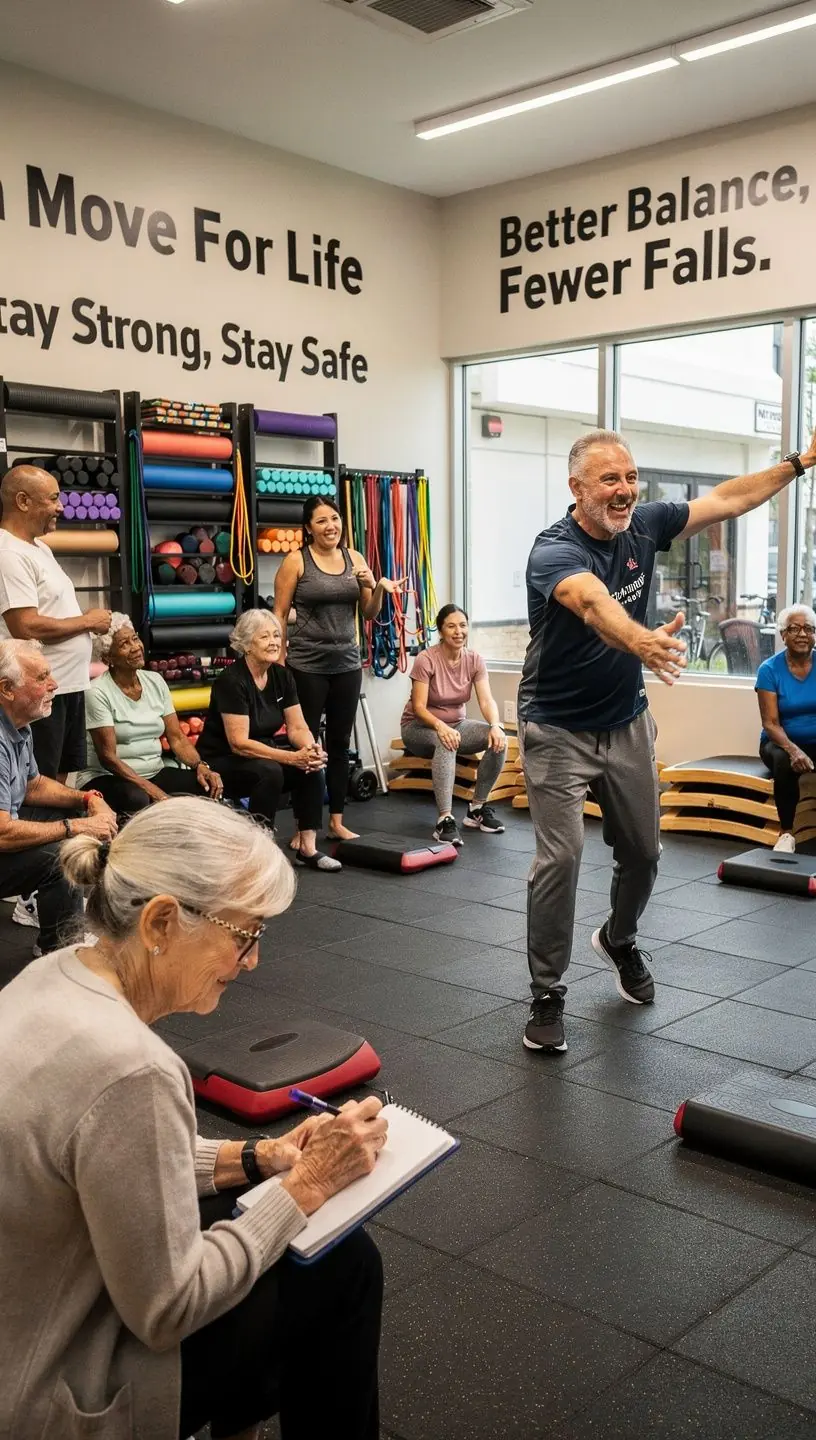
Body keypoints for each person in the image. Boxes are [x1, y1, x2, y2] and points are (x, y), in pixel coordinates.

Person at [0, 797, 385, 1440]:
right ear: (160, 922)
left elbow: (116, 1159)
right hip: (52, 1397)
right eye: (244, 935)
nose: (252, 960)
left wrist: (260, 1158)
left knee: (262, 1223)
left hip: (23, 1319)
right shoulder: (132, 1068)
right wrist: (308, 1184)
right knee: (340, 1267)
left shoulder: (52, 972)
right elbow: (168, 1311)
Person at [519, 426, 816, 1056]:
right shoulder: (553, 550)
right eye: (609, 479)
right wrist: (642, 641)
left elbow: (729, 500)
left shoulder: (646, 526)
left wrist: (800, 461)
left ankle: (618, 938)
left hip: (626, 720)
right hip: (557, 729)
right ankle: (547, 991)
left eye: (631, 477)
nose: (625, 490)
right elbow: (591, 603)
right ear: (576, 487)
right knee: (561, 859)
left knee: (645, 853)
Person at [274, 496, 406, 844]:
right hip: (306, 666)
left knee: (339, 744)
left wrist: (376, 586)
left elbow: (369, 612)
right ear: (308, 528)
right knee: (306, 746)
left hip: (346, 664)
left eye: (334, 518)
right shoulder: (296, 561)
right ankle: (304, 826)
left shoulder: (355, 558)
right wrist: (278, 660)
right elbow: (279, 614)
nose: (330, 526)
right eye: (321, 521)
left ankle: (336, 820)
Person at [198, 608, 340, 871]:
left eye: (276, 635)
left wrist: (310, 750)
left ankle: (307, 849)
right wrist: (291, 757)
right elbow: (239, 743)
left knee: (311, 768)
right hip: (222, 759)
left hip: (263, 752)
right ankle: (260, 850)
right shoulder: (232, 681)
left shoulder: (282, 676)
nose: (274, 642)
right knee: (270, 771)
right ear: (246, 644)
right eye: (264, 637)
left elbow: (297, 727)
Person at [0, 638, 117, 955]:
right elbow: (1, 833)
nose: (54, 684)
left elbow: (34, 785)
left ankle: (58, 926)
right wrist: (74, 828)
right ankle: (62, 951)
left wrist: (87, 799)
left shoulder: (18, 725)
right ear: (7, 689)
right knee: (63, 854)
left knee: (72, 820)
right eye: (42, 678)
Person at [0, 465, 111, 779]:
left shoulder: (40, 548)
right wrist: (87, 622)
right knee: (38, 783)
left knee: (62, 778)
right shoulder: (8, 553)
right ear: (23, 501)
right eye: (52, 498)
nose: (60, 507)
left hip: (65, 685)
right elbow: (26, 627)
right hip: (36, 692)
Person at [76, 613, 224, 815]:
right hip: (108, 776)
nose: (136, 647)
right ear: (107, 658)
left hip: (153, 772)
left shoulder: (155, 681)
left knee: (204, 786)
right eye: (124, 644)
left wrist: (200, 766)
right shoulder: (97, 692)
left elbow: (177, 738)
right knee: (138, 798)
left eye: (135, 638)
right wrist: (151, 789)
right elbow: (108, 757)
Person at [401, 604, 507, 846]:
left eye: (462, 625)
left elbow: (486, 700)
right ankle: (444, 819)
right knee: (445, 741)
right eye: (451, 626)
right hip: (418, 728)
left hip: (457, 725)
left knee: (499, 739)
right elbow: (419, 708)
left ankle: (477, 808)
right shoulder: (426, 659)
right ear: (440, 631)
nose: (458, 631)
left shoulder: (474, 660)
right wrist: (441, 727)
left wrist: (495, 724)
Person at [756, 603, 816, 853]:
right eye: (794, 629)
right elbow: (770, 723)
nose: (802, 634)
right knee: (784, 761)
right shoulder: (769, 670)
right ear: (783, 634)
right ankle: (786, 833)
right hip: (779, 742)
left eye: (809, 629)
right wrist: (794, 751)